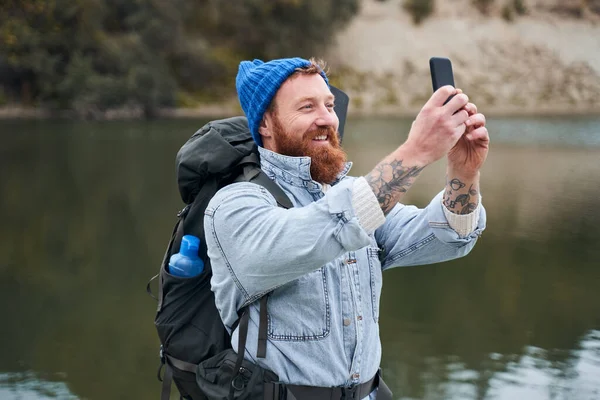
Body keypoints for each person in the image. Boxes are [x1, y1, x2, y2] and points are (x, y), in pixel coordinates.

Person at [203, 57, 489, 399]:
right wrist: (418, 151)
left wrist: (464, 171)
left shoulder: (349, 194)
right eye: (307, 107)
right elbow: (326, 229)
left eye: (329, 104)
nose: (326, 118)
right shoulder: (235, 206)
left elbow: (449, 236)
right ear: (265, 122)